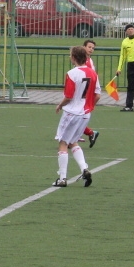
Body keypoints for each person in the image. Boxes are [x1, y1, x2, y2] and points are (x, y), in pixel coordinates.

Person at [53, 45, 98, 187]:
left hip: (72, 113)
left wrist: (60, 105)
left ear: (73, 57)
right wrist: (89, 106)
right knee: (73, 142)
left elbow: (69, 96)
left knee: (63, 143)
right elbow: (98, 95)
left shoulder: (72, 73)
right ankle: (84, 169)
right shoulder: (92, 73)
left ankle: (62, 178)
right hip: (85, 114)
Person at [79, 39, 100, 148]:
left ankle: (88, 133)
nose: (91, 49)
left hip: (87, 90)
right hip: (84, 90)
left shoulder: (88, 61)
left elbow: (91, 76)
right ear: (84, 47)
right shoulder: (82, 59)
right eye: (89, 47)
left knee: (78, 114)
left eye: (93, 48)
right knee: (77, 114)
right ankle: (88, 133)